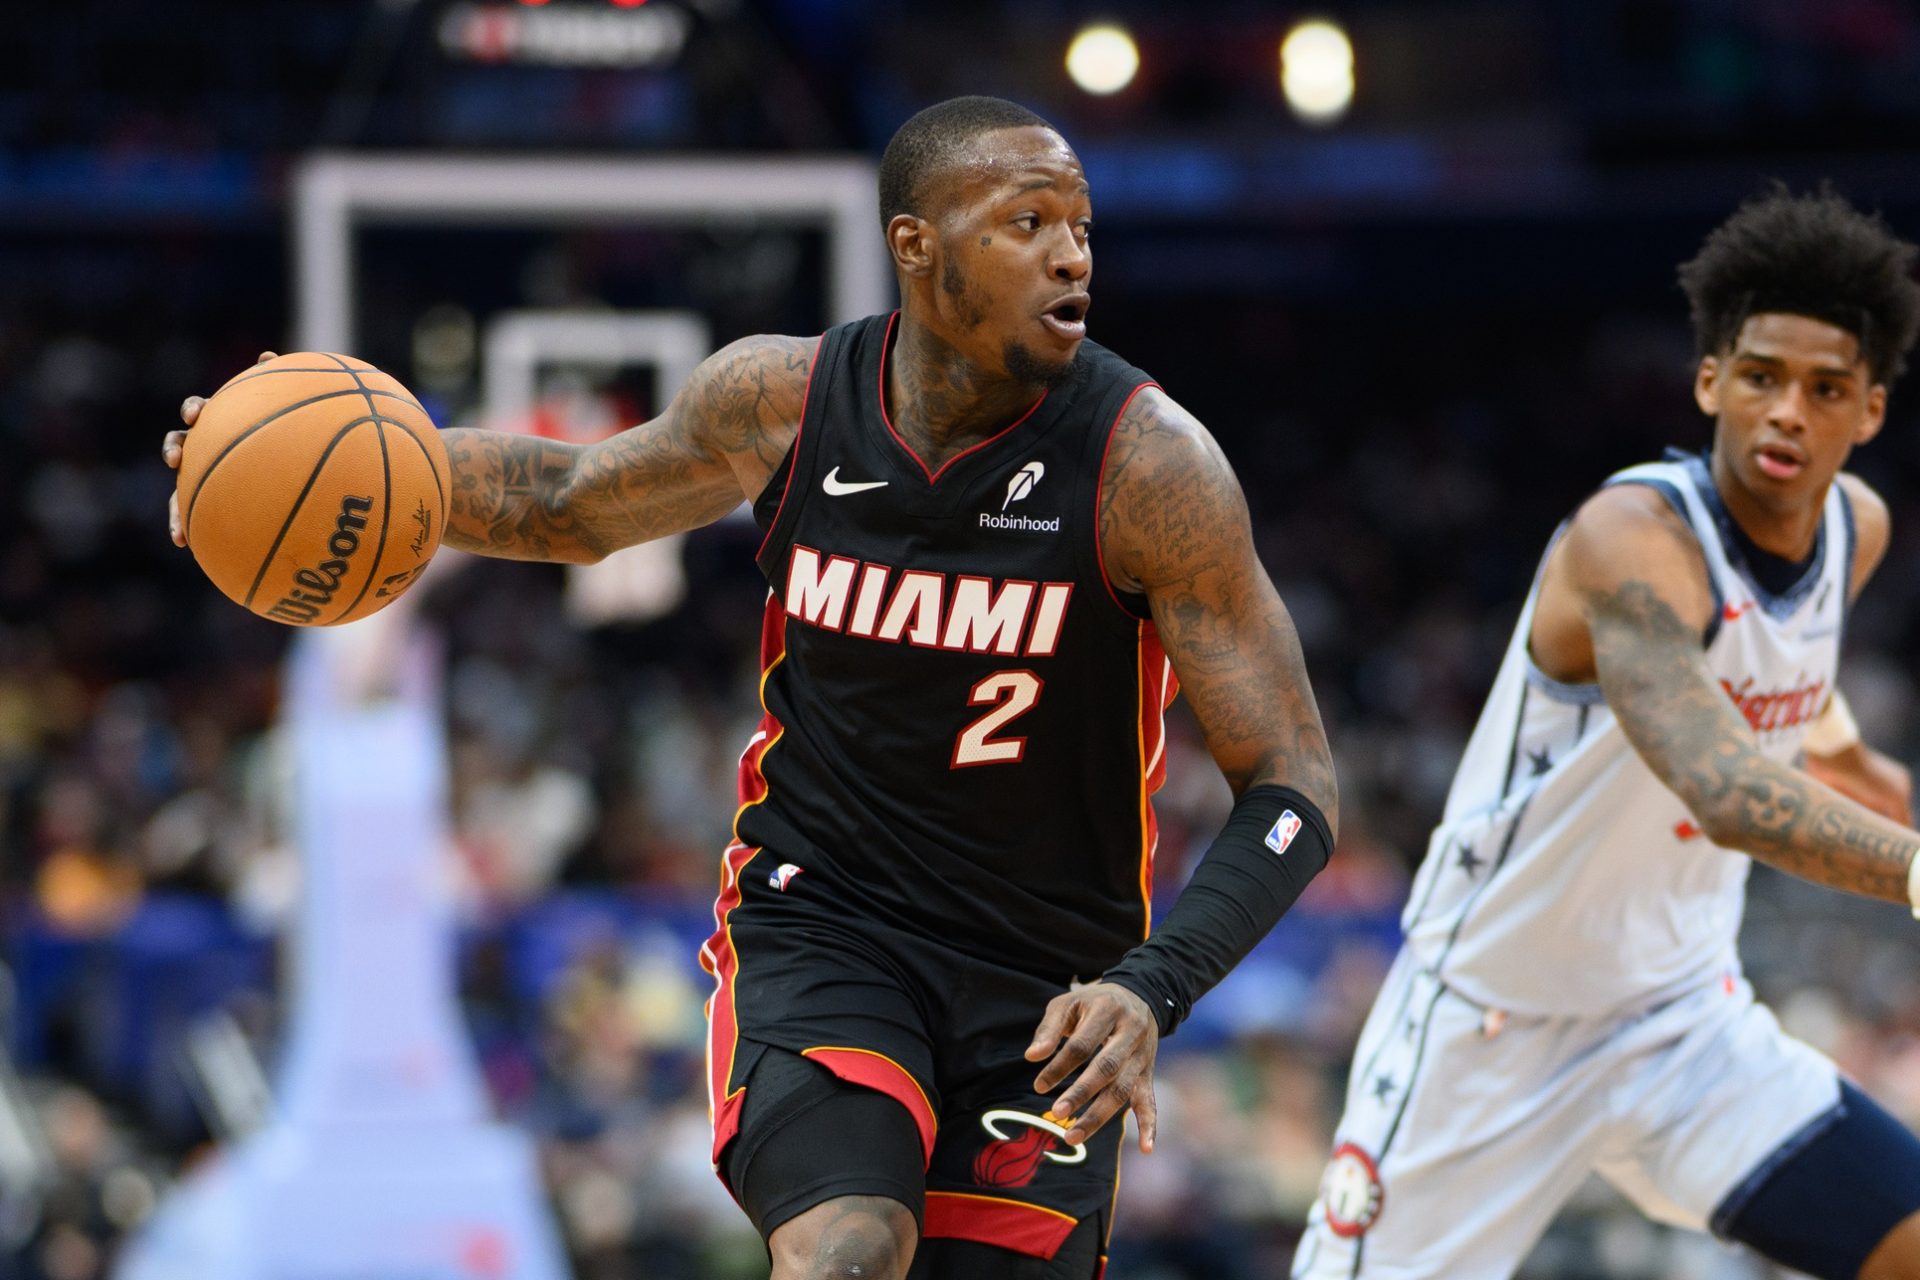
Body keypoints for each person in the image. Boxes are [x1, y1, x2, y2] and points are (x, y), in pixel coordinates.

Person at [165, 96, 1339, 1280]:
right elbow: (571, 502)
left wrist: (1152, 987)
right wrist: (305, 460)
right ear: (916, 244)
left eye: (1081, 225)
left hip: (1047, 983)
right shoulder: (781, 404)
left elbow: (1294, 785)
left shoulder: (1150, 467)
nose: (1071, 252)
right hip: (825, 920)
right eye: (1026, 220)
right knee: (847, 1248)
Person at [1293, 187, 1920, 1280]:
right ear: (1710, 380)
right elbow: (1724, 783)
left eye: (1826, 390)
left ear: (1868, 411)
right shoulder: (1630, 540)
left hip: (1684, 1020)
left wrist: (1846, 746)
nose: (1787, 412)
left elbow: (1777, 663)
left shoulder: (1855, 530)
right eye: (1762, 376)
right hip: (1491, 1025)